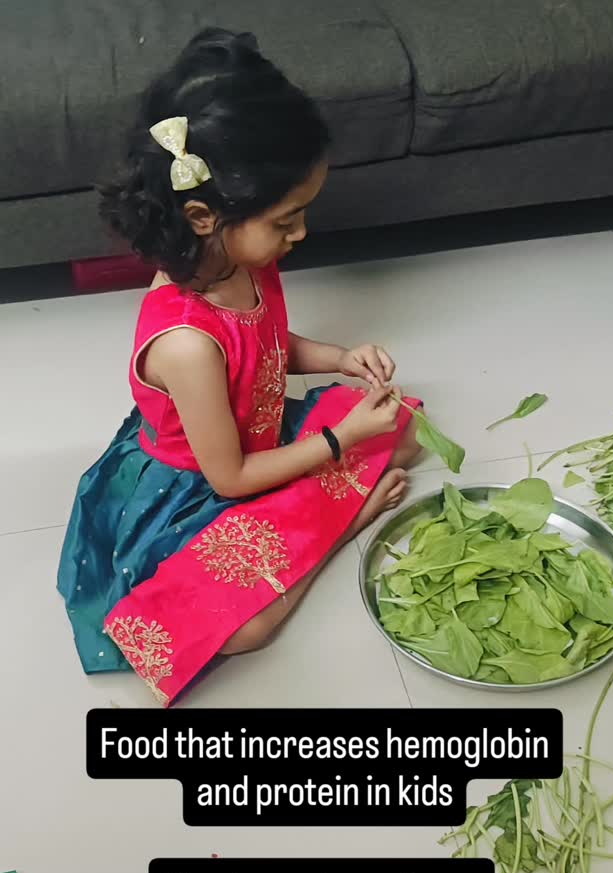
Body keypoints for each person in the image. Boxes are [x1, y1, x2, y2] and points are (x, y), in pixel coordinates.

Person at [57, 28, 422, 705]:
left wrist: (339, 359)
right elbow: (228, 478)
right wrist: (341, 438)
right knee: (246, 629)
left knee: (404, 430)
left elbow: (270, 345)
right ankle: (346, 523)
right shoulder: (186, 346)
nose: (300, 234)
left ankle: (315, 507)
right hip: (199, 484)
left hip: (257, 429)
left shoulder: (240, 261)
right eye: (286, 220)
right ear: (203, 216)